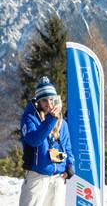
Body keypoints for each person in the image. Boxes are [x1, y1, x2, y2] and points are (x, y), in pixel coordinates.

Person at [19, 76, 75, 206]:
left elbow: (67, 147)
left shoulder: (62, 123)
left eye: (51, 99)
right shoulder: (29, 118)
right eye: (44, 100)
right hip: (36, 177)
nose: (49, 104)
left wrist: (70, 167)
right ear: (38, 101)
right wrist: (51, 120)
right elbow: (34, 140)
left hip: (57, 178)